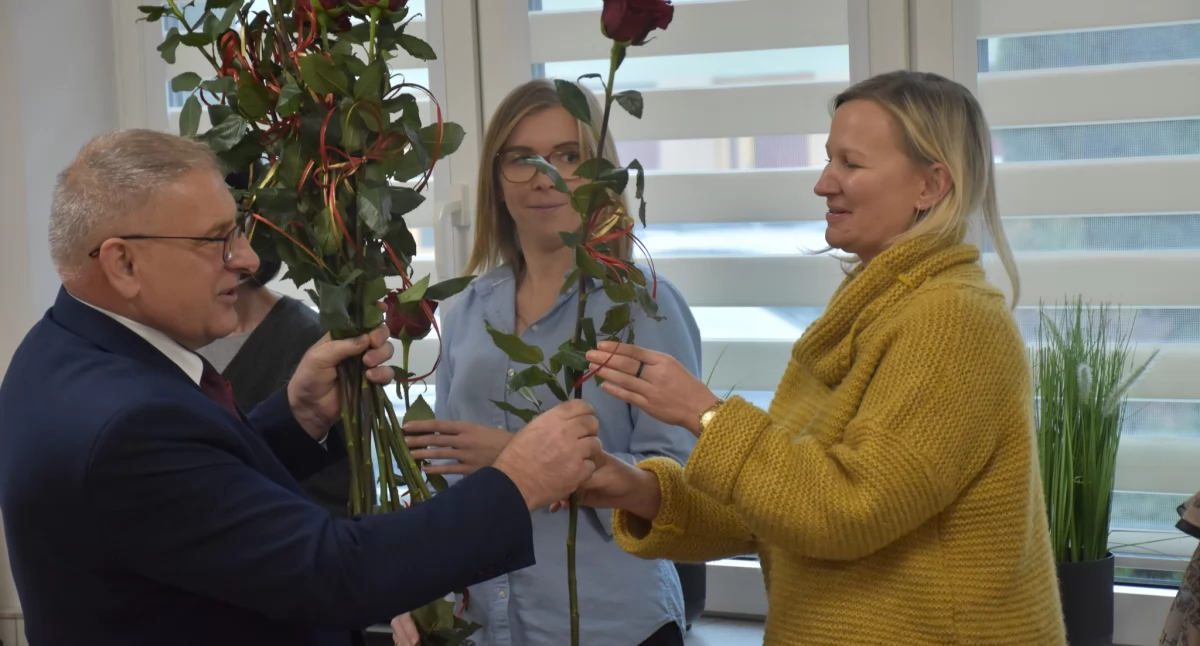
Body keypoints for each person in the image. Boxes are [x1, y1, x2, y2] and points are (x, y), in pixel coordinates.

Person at [0, 129, 603, 646]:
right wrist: (517, 482)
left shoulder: (57, 349)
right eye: (216, 241)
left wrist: (295, 417)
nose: (246, 260)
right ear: (123, 263)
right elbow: (335, 573)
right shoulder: (123, 425)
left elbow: (196, 504)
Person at [574, 70, 1068, 645]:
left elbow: (847, 511)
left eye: (850, 164)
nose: (822, 183)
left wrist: (705, 415)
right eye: (828, 159)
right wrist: (639, 489)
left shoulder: (953, 322)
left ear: (931, 186)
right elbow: (779, 508)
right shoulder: (871, 312)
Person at [401, 78, 701, 646]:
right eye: (521, 158)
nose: (545, 177)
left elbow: (679, 490)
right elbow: (439, 473)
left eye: (568, 155)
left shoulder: (643, 304)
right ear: (496, 175)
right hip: (482, 625)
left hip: (612, 626)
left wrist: (521, 461)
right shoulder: (465, 309)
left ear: (601, 173)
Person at [198, 256, 353, 518]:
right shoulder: (143, 350)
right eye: (213, 237)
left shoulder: (314, 347)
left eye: (233, 231)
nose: (243, 251)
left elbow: (330, 505)